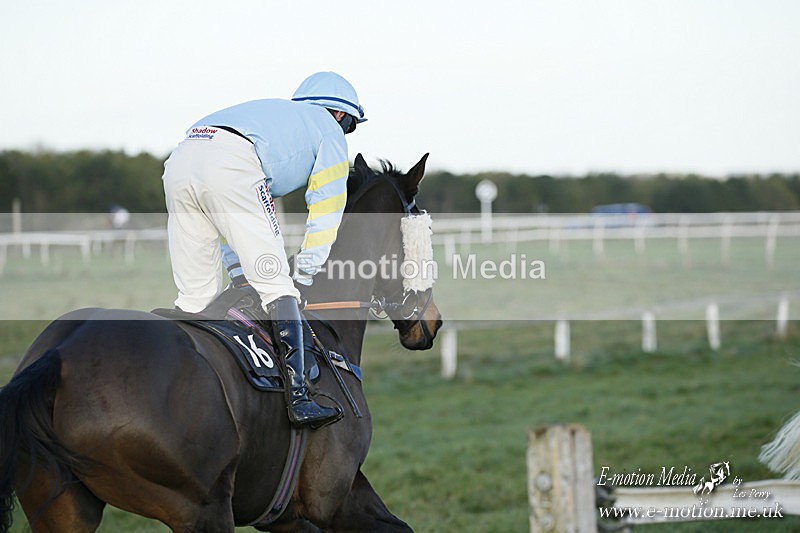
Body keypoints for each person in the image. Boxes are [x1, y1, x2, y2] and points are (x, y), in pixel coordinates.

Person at [162, 72, 366, 429]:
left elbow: (234, 215)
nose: (346, 134)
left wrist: (241, 275)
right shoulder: (328, 129)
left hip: (180, 160)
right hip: (232, 162)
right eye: (350, 127)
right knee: (278, 285)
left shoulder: (276, 123)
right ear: (340, 115)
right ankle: (300, 398)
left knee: (196, 297)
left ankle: (172, 389)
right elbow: (326, 208)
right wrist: (302, 274)